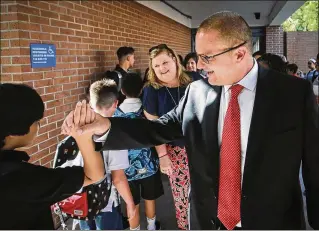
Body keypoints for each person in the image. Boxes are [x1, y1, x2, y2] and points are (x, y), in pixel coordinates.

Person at [62, 11, 319, 230]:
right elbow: (157, 129)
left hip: (273, 221)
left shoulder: (292, 93)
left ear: (240, 54)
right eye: (199, 56)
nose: (200, 65)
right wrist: (105, 126)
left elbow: (314, 161)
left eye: (208, 57)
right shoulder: (197, 92)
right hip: (210, 219)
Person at [0, 83, 105, 229]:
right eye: (36, 122)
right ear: (12, 132)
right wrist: (83, 136)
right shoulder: (25, 180)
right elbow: (93, 175)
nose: (39, 126)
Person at [142, 44, 194, 230]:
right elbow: (153, 127)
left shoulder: (193, 81)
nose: (162, 68)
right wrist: (163, 156)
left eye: (165, 62)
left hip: (200, 146)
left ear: (174, 59)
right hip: (174, 149)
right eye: (156, 66)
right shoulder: (152, 90)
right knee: (181, 194)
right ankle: (183, 227)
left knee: (208, 191)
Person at [78, 79, 136, 230]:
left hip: (81, 201)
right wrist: (130, 204)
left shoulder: (78, 128)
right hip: (105, 204)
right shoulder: (114, 134)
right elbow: (118, 178)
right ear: (116, 104)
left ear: (91, 102)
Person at [117, 73, 164, 230]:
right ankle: (151, 227)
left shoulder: (116, 114)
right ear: (142, 89)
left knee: (132, 202)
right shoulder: (147, 111)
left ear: (122, 90)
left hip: (126, 169)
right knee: (150, 199)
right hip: (149, 165)